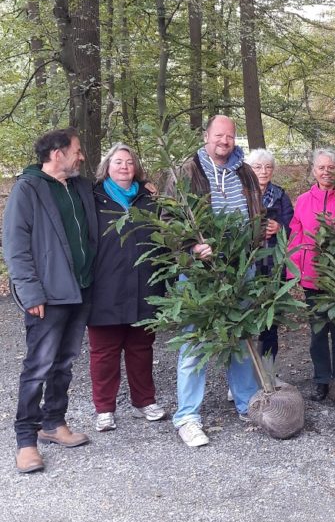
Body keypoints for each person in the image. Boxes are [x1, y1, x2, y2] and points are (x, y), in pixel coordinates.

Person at [3, 128, 97, 473]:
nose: (81, 156)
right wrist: (30, 292)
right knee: (38, 366)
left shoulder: (80, 187)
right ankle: (26, 441)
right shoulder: (28, 188)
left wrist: (144, 186)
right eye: (77, 150)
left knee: (64, 363)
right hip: (47, 296)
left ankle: (54, 423)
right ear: (58, 154)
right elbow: (15, 246)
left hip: (80, 290)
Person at [168, 115, 264, 448]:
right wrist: (192, 248)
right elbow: (169, 219)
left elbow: (256, 211)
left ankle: (247, 404)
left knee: (240, 335)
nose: (224, 141)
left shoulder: (245, 171)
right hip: (200, 270)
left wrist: (259, 235)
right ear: (206, 135)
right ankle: (187, 417)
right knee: (194, 341)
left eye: (230, 136)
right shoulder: (186, 171)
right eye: (219, 135)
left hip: (241, 267)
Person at [87, 144, 166, 433]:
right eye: (118, 162)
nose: (124, 167)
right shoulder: (92, 198)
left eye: (129, 162)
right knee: (103, 352)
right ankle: (104, 408)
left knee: (141, 348)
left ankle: (144, 401)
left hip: (144, 284)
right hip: (104, 287)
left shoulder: (148, 199)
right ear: (107, 167)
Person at [287, 148, 335, 401]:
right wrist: (293, 272)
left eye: (330, 167)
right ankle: (322, 379)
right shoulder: (303, 200)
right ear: (313, 170)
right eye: (321, 167)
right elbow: (295, 236)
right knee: (319, 330)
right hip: (312, 275)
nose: (326, 172)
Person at [245, 148, 295, 358]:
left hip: (274, 265)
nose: (263, 171)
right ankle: (247, 371)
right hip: (247, 265)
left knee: (270, 321)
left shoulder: (281, 196)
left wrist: (280, 227)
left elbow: (293, 224)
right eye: (257, 167)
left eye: (268, 167)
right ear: (249, 169)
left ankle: (268, 369)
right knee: (245, 318)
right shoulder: (242, 194)